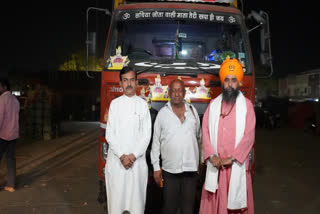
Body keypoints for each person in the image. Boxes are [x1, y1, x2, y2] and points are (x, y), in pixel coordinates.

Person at [199, 58, 255, 214]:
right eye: (227, 80)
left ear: (239, 83)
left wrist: (230, 159)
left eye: (234, 80)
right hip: (216, 165)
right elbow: (205, 132)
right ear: (222, 82)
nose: (230, 84)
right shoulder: (213, 105)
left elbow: (249, 137)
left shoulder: (247, 107)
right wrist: (211, 156)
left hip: (235, 166)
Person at [104, 66, 152, 214]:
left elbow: (146, 135)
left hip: (136, 165)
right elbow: (109, 134)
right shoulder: (115, 105)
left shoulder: (143, 105)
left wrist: (132, 156)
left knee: (136, 206)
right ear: (120, 83)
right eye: (125, 80)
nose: (129, 84)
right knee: (116, 206)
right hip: (117, 163)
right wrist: (122, 156)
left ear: (137, 83)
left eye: (132, 80)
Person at [151, 79, 201, 214]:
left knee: (188, 209)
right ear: (169, 93)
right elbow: (155, 142)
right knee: (169, 208)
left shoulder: (193, 111)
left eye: (180, 90)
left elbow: (198, 137)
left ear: (184, 93)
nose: (177, 94)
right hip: (170, 170)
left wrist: (200, 163)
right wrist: (156, 167)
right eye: (174, 90)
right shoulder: (162, 114)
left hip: (190, 170)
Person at [0, 78, 20, 192]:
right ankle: (11, 185)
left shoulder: (2, 99)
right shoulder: (15, 99)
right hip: (13, 134)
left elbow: (0, 117)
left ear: (4, 87)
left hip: (3, 134)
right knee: (11, 159)